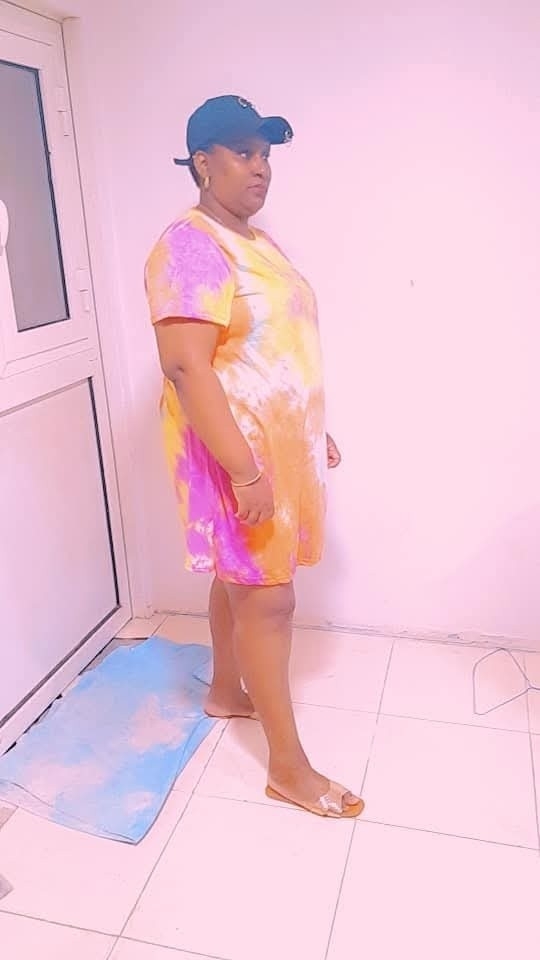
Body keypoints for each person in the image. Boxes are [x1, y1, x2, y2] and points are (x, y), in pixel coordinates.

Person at [145, 95, 364, 819]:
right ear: (202, 162)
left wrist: (308, 427)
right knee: (269, 600)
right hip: (235, 456)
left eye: (266, 154)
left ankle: (223, 690)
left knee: (238, 576)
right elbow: (187, 366)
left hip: (276, 448)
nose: (260, 167)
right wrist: (244, 470)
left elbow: (271, 348)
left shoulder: (257, 242)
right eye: (243, 151)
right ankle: (288, 769)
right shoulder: (190, 245)